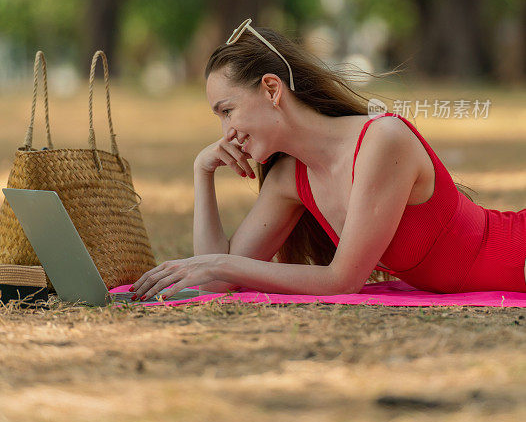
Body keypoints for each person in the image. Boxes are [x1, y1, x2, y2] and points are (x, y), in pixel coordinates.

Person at [130, 18, 526, 301]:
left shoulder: (383, 140)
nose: (225, 132)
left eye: (227, 110)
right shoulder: (290, 177)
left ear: (272, 89)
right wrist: (203, 173)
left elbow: (342, 280)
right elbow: (215, 280)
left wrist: (221, 266)